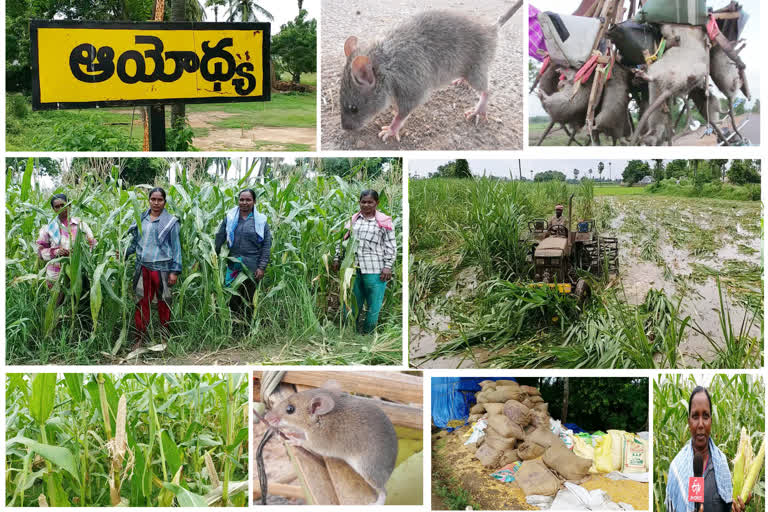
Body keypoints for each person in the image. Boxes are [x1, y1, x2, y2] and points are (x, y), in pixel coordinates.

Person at [665, 386, 751, 512]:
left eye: (705, 416)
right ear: (689, 422)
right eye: (695, 416)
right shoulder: (676, 469)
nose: (700, 424)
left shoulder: (721, 464)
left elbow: (729, 506)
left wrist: (738, 506)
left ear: (711, 421)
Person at [332, 190, 396, 334]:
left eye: (370, 202)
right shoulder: (353, 220)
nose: (366, 205)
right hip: (353, 268)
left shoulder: (384, 221)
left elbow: (391, 246)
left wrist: (387, 266)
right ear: (359, 202)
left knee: (374, 304)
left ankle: (368, 331)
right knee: (353, 301)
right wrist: (337, 257)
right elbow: (342, 241)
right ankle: (349, 330)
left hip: (375, 269)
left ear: (377, 203)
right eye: (363, 202)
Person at [124, 187, 182, 346]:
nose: (156, 203)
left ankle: (164, 337)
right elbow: (135, 242)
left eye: (160, 200)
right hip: (143, 268)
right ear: (149, 200)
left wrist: (175, 271)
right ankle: (140, 338)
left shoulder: (171, 222)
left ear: (164, 201)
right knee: (142, 302)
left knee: (164, 302)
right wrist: (124, 253)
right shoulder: (141, 218)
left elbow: (176, 247)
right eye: (153, 199)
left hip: (162, 268)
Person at [214, 188, 272, 317]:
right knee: (232, 297)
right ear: (238, 201)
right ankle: (234, 327)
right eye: (241, 199)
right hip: (233, 264)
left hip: (252, 265)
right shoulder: (230, 218)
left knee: (249, 297)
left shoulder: (261, 221)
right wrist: (214, 256)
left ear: (254, 202)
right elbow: (220, 237)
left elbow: (266, 245)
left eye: (248, 200)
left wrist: (261, 267)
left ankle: (247, 328)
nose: (244, 202)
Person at [36, 193, 97, 297]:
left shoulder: (80, 224)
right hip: (55, 273)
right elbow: (40, 252)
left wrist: (79, 253)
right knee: (56, 301)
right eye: (57, 206)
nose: (61, 208)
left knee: (74, 299)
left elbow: (93, 244)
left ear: (69, 205)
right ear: (53, 209)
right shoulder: (49, 227)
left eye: (63, 205)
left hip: (77, 271)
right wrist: (55, 252)